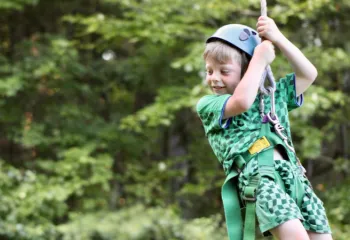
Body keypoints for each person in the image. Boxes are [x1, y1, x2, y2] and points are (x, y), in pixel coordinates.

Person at [196, 16, 332, 240]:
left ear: (247, 68)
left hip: (295, 179)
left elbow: (309, 74)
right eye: (210, 71)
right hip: (260, 180)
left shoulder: (272, 96)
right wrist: (259, 59)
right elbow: (242, 101)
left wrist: (278, 39)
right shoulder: (211, 105)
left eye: (224, 71)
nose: (215, 78)